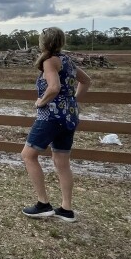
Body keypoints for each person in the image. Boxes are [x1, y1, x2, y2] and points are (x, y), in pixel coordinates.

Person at [20, 27, 92, 222]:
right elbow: (86, 81)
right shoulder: (67, 60)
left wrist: (41, 102)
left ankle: (43, 204)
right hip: (69, 117)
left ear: (44, 42)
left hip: (50, 117)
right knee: (62, 162)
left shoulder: (49, 61)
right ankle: (66, 209)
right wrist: (73, 101)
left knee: (28, 156)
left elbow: (54, 87)